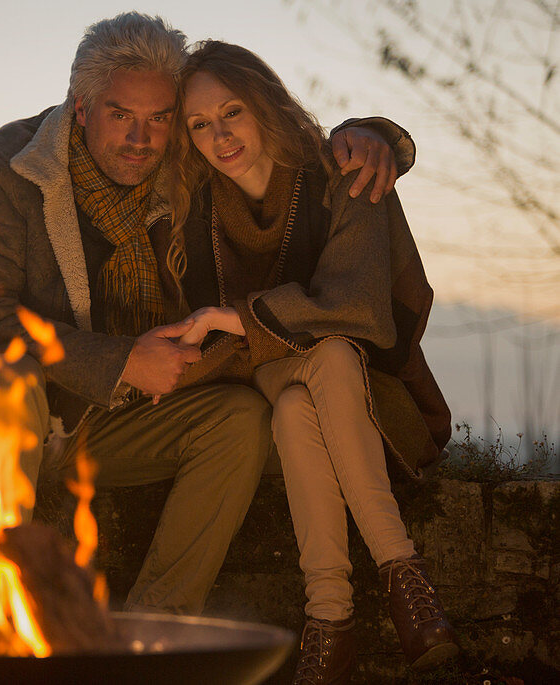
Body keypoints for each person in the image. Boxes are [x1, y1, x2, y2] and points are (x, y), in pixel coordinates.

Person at [0, 12, 413, 616]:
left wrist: (372, 135)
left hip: (101, 422)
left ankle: (155, 631)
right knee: (4, 382)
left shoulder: (182, 170)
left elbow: (278, 153)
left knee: (238, 418)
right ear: (81, 107)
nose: (140, 138)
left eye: (159, 119)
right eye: (120, 115)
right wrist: (121, 361)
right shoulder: (3, 175)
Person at [173, 40, 456, 682]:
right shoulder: (197, 215)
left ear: (265, 103)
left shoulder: (340, 173)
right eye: (199, 124)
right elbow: (210, 353)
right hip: (262, 396)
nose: (219, 135)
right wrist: (240, 329)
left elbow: (357, 308)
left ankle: (330, 620)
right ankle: (404, 577)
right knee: (306, 370)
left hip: (361, 408)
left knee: (322, 367)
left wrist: (239, 318)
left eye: (232, 112)